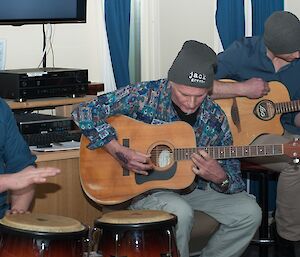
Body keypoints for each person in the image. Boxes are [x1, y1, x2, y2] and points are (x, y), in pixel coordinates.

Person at [72, 40, 261, 257]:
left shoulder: (215, 117)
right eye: (184, 94)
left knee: (250, 212)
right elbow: (84, 112)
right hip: (144, 189)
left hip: (192, 189)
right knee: (180, 212)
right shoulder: (145, 95)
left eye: (199, 96)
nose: (191, 103)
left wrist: (220, 178)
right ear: (171, 83)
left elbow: (233, 177)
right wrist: (119, 151)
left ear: (209, 90)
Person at [213, 11, 300, 257]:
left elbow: (290, 113)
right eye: (294, 50)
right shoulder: (242, 52)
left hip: (280, 129)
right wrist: (242, 88)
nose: (299, 54)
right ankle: (287, 238)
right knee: (297, 160)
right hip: (242, 136)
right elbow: (196, 87)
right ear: (273, 48)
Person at [0, 98, 61, 218]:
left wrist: (17, 212)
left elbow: (22, 168)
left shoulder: (1, 108)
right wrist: (7, 181)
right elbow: (16, 179)